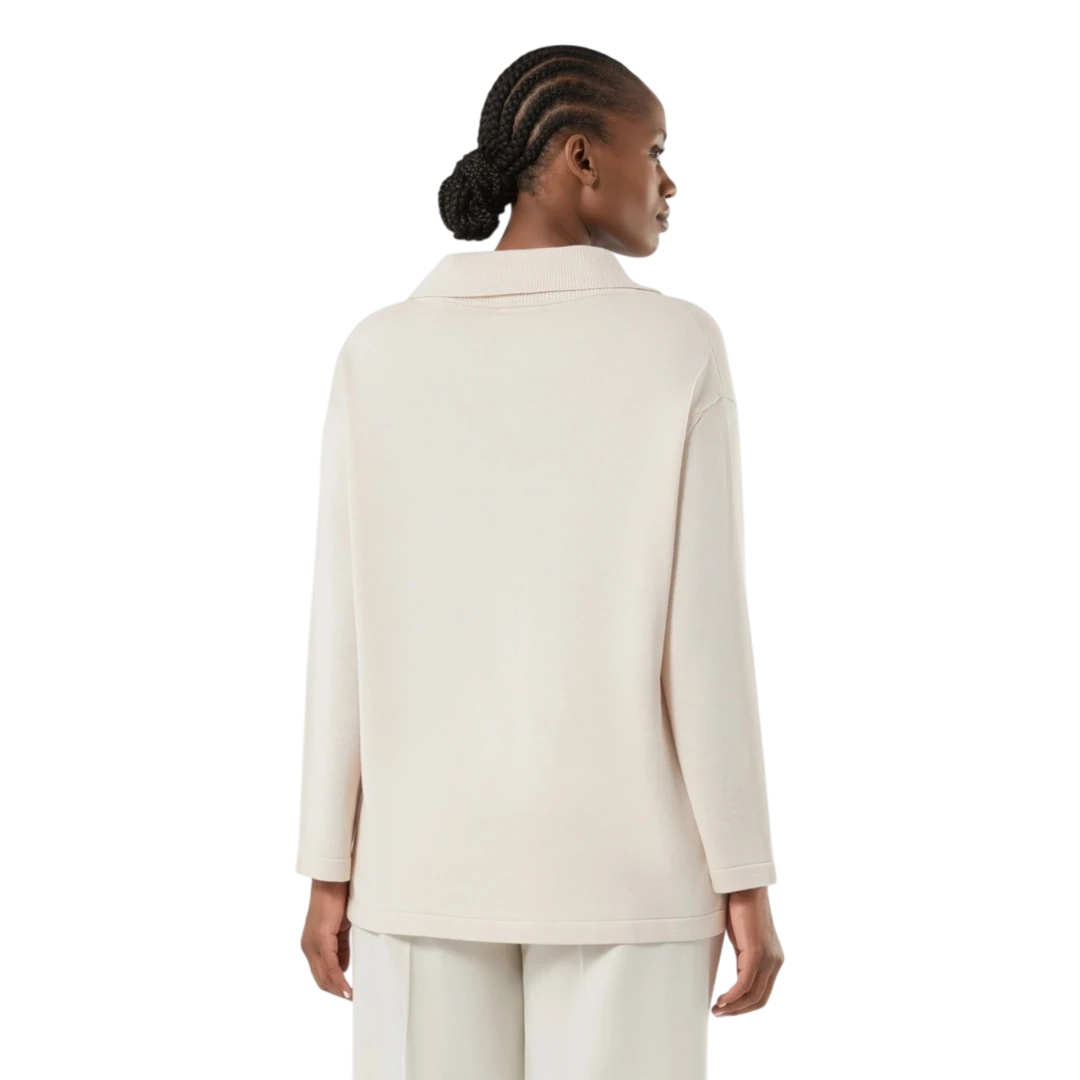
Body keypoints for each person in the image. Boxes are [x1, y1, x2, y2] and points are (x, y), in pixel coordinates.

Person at [296, 42, 784, 1079]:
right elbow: (703, 643)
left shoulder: (376, 350)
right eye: (655, 151)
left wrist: (327, 862)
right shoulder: (675, 346)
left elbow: (339, 631)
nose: (670, 182)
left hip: (419, 867)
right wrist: (744, 872)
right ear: (579, 157)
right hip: (631, 874)